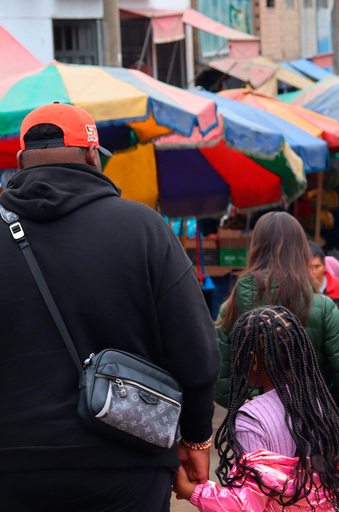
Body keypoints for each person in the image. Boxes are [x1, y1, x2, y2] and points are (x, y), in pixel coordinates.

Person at [0, 104, 220, 509]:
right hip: (127, 466)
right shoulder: (144, 228)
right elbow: (198, 350)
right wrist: (195, 436)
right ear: (91, 155)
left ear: (19, 162)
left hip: (12, 470)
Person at [174, 306, 339, 511]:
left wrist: (191, 491)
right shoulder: (318, 404)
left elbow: (247, 505)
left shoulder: (250, 420)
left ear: (251, 360)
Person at [216, 212, 339, 414]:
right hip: (313, 428)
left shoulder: (231, 309)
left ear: (255, 247)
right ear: (302, 250)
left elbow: (218, 378)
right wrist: (323, 412)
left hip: (256, 428)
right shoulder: (323, 308)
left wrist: (251, 408)